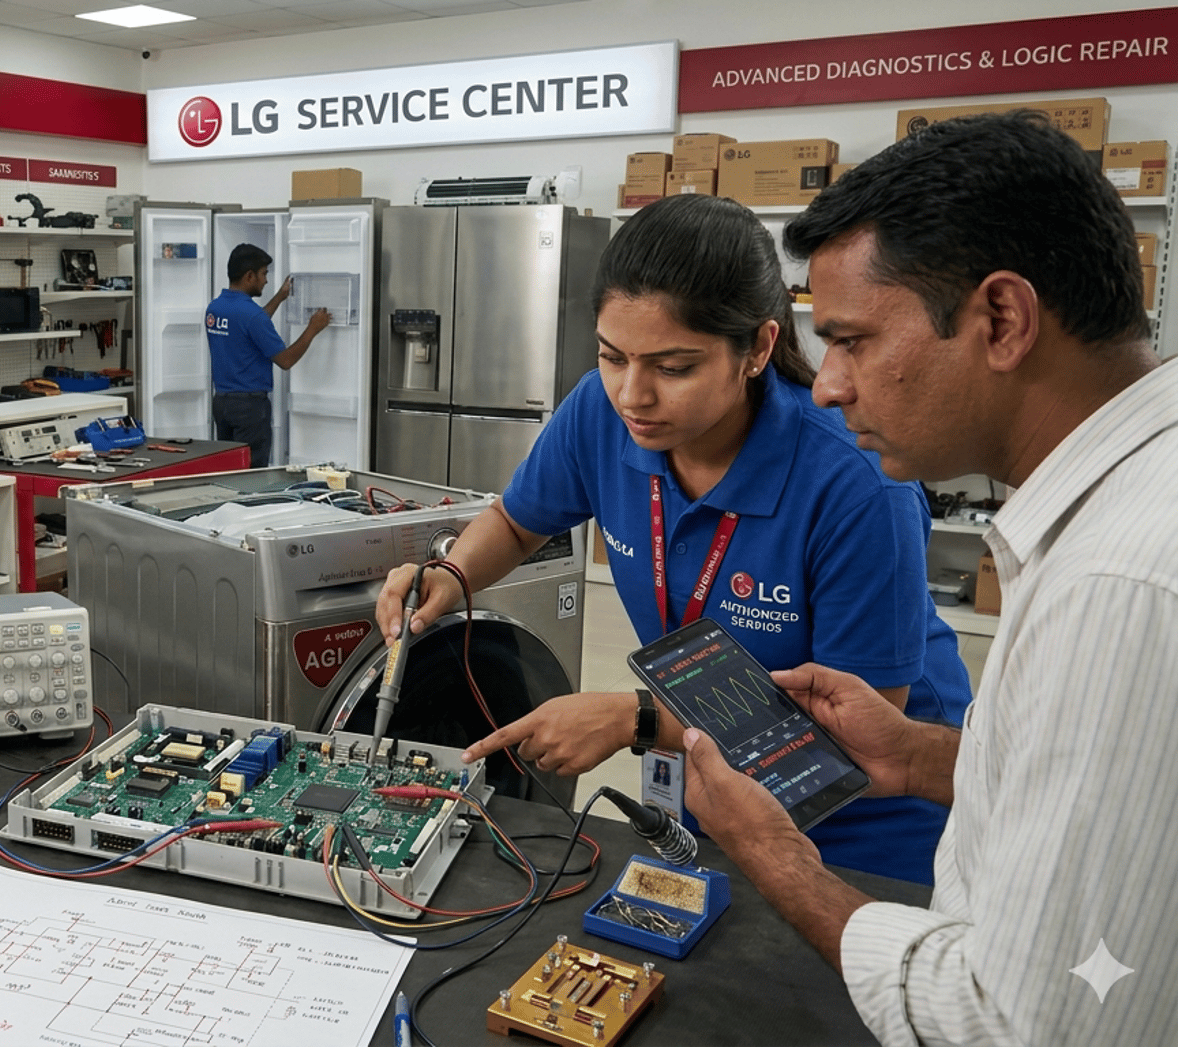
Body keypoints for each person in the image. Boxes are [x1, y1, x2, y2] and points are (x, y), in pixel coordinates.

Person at [680, 111, 1177, 1046]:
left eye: (854, 339)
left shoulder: (1118, 584)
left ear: (1002, 319)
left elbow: (1020, 1025)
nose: (826, 384)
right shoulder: (1132, 505)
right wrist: (920, 757)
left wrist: (780, 862)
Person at [377, 193, 970, 884]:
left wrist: (633, 718)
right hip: (710, 781)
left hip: (864, 826)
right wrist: (451, 574)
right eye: (612, 356)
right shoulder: (601, 413)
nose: (633, 394)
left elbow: (850, 728)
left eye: (674, 366)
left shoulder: (857, 486)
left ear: (757, 348)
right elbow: (516, 521)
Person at [205, 244, 331, 467]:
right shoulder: (251, 314)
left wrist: (280, 297)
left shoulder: (216, 308)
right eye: (263, 274)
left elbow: (250, 326)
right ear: (249, 276)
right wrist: (313, 329)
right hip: (249, 408)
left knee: (229, 467)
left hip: (222, 403)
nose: (265, 280)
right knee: (252, 472)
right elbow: (285, 360)